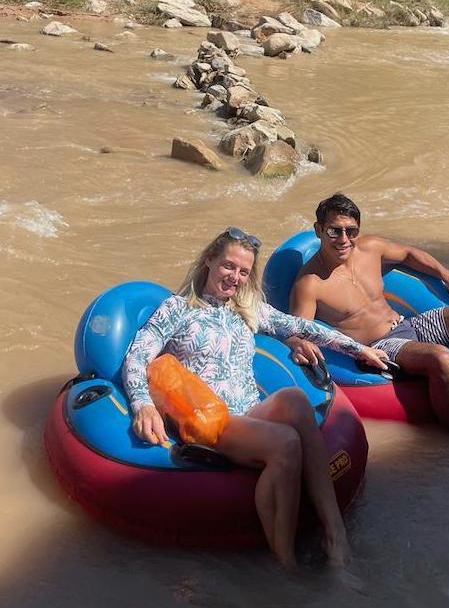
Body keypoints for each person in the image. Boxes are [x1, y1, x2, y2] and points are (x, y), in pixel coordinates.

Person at [122, 226, 388, 567]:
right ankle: (286, 562)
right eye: (228, 266)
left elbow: (303, 327)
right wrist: (142, 404)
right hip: (211, 419)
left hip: (250, 411)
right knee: (286, 442)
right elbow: (138, 355)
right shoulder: (177, 309)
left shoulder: (247, 310)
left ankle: (334, 532)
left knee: (295, 399)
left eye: (243, 272)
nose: (235, 277)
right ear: (209, 260)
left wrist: (359, 350)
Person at [288, 193, 449, 435]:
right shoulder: (310, 283)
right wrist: (300, 344)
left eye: (351, 231)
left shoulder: (370, 248)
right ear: (319, 229)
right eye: (334, 231)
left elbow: (409, 254)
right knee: (441, 358)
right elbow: (296, 329)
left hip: (409, 324)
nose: (344, 239)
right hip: (380, 345)